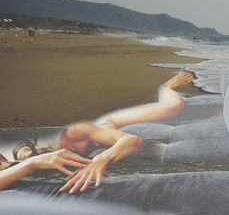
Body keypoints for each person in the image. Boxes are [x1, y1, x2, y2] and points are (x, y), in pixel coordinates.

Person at [0, 72, 194, 194]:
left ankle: (165, 87)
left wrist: (102, 158)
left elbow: (132, 140)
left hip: (108, 125)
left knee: (172, 106)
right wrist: (30, 164)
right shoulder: (20, 163)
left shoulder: (74, 134)